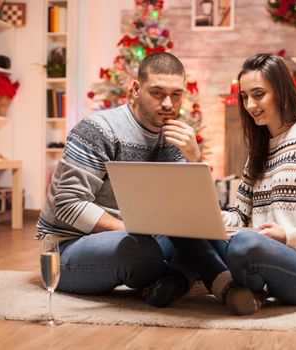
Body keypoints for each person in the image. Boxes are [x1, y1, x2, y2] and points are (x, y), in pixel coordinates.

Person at [155, 53, 296, 315]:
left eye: (258, 94)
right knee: (182, 225)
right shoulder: (257, 152)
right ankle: (229, 286)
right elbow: (239, 215)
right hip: (257, 257)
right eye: (245, 97)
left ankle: (196, 277)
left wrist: (288, 236)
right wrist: (203, 219)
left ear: (281, 92)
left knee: (245, 245)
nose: (250, 105)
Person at [36, 52, 201, 299]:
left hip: (138, 236)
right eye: (157, 93)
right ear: (136, 89)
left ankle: (170, 280)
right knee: (140, 252)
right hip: (69, 248)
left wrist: (195, 159)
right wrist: (131, 229)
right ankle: (179, 276)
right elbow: (67, 205)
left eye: (176, 95)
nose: (168, 104)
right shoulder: (99, 128)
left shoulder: (176, 136)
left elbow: (186, 207)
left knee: (205, 234)